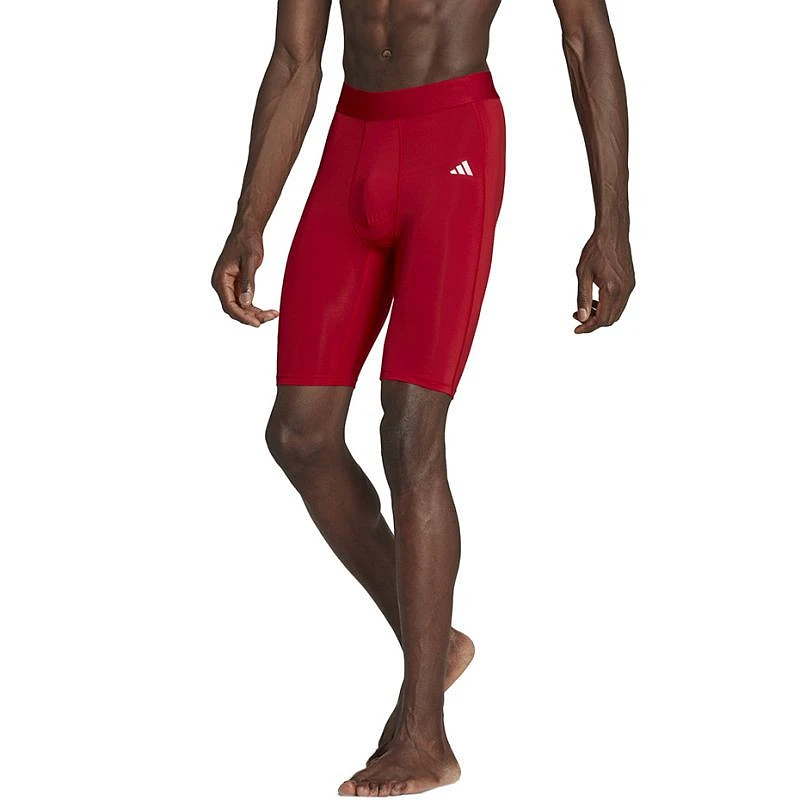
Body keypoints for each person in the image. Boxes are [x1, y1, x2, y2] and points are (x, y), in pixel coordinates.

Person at [211, 0, 635, 794]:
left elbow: (586, 39)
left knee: (409, 431)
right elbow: (296, 61)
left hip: (453, 146)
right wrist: (249, 218)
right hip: (351, 144)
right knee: (299, 435)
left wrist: (611, 223)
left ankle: (424, 735)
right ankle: (434, 648)